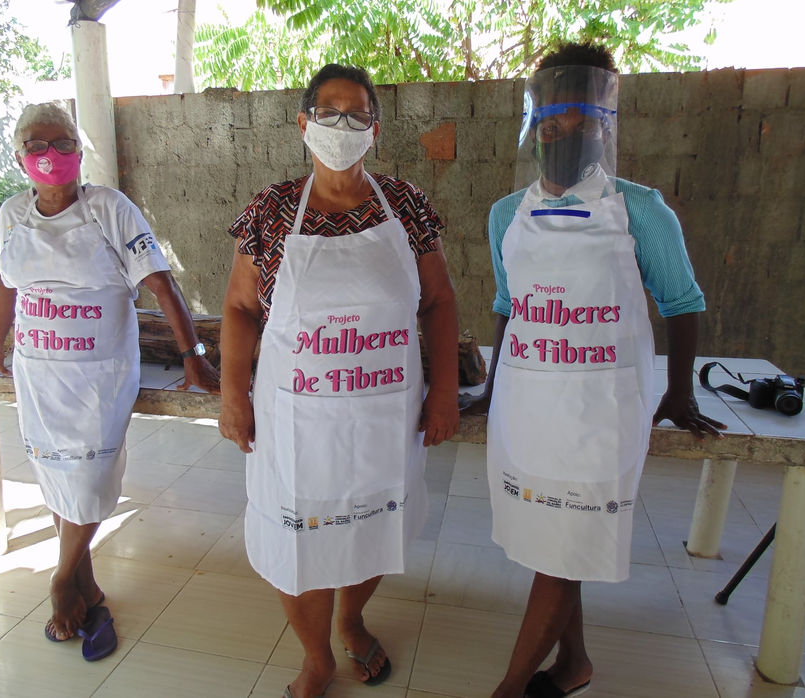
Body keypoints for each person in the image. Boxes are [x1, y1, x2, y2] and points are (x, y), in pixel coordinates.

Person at [464, 43, 726, 698]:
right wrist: (492, 389)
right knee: (552, 536)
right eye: (547, 114)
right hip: (528, 404)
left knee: (567, 540)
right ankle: (574, 662)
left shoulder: (639, 211)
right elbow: (508, 307)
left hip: (602, 411)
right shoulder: (507, 214)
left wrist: (679, 387)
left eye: (574, 114)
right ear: (534, 121)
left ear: (602, 120)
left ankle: (508, 687)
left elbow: (682, 301)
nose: (558, 126)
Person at [219, 64, 459, 698]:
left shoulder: (405, 206)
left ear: (375, 130)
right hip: (295, 422)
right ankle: (315, 656)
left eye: (358, 116)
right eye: (330, 114)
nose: (343, 127)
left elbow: (438, 302)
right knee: (296, 532)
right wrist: (232, 394)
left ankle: (351, 618)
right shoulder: (271, 212)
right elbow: (241, 309)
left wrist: (442, 392)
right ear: (304, 124)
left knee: (373, 523)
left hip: (384, 416)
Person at [0, 102, 220, 654]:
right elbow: (7, 285)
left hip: (99, 375)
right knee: (55, 478)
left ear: (78, 153)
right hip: (36, 371)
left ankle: (62, 580)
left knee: (88, 478)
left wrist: (193, 355)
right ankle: (86, 581)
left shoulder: (109, 207)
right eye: (36, 145)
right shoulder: (13, 213)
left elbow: (160, 283)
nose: (49, 154)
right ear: (19, 157)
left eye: (61, 143)